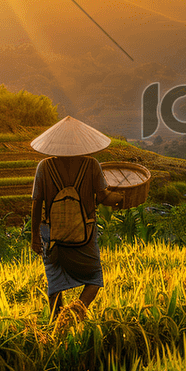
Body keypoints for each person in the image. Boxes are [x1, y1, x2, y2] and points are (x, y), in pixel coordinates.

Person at [30, 116, 124, 320]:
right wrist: (120, 199)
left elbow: (37, 203)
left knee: (55, 284)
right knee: (94, 279)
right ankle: (74, 315)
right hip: (85, 233)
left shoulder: (44, 167)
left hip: (52, 235)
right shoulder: (91, 165)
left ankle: (57, 322)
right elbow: (103, 197)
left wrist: (35, 237)